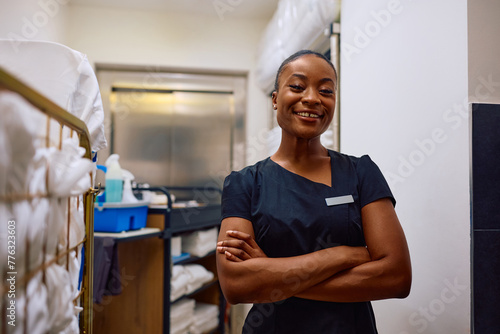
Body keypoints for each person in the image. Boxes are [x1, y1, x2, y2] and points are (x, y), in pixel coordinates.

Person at [216, 49, 411, 333]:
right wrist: (343, 256)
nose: (312, 98)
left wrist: (270, 275)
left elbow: (396, 277)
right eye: (297, 86)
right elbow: (236, 286)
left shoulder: (361, 173)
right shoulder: (244, 184)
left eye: (326, 91)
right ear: (275, 99)